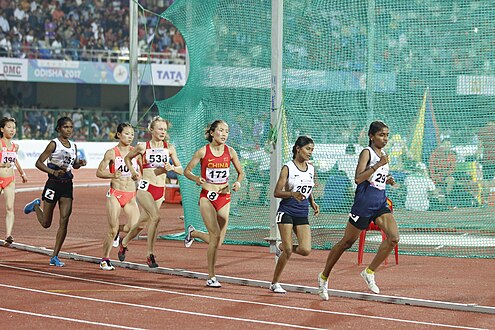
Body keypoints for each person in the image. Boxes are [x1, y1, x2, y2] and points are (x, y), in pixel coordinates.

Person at [317, 120, 399, 300]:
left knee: (393, 238)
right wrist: (378, 165)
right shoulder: (366, 153)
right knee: (346, 243)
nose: (385, 138)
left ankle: (369, 272)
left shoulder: (383, 154)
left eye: (386, 135)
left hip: (380, 203)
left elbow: (376, 179)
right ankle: (324, 277)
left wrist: (387, 179)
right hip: (363, 205)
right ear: (371, 136)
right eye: (381, 135)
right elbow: (358, 178)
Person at [183, 120, 245, 288]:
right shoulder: (203, 151)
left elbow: (241, 172)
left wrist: (238, 183)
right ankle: (211, 276)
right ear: (212, 133)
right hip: (207, 197)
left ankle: (193, 233)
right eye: (221, 130)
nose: (224, 134)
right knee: (215, 235)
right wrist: (196, 178)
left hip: (224, 197)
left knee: (218, 242)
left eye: (227, 131)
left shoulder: (230, 152)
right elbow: (186, 171)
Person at [117, 116, 183, 268]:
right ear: (151, 130)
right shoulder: (142, 146)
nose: (163, 132)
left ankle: (125, 242)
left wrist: (171, 168)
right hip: (145, 187)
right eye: (160, 129)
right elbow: (128, 158)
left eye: (165, 129)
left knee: (141, 224)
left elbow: (180, 169)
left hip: (160, 190)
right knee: (156, 217)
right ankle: (150, 254)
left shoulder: (169, 148)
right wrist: (133, 172)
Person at [24, 117, 87, 267]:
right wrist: (52, 171)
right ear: (59, 128)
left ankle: (55, 256)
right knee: (46, 223)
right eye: (65, 127)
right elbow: (38, 163)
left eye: (71, 127)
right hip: (53, 185)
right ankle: (35, 206)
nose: (69, 130)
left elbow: (73, 165)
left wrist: (80, 164)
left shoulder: (74, 146)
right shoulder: (54, 144)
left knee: (64, 220)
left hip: (67, 185)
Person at [269, 136, 319, 294]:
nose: (310, 152)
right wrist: (291, 194)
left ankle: (281, 247)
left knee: (305, 250)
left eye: (312, 150)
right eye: (307, 149)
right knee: (289, 251)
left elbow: (308, 189)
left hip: (302, 212)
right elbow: (276, 192)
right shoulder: (288, 168)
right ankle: (274, 283)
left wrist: (312, 202)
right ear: (298, 148)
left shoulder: (311, 168)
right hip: (286, 211)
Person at [96, 123, 141, 271]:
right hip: (115, 194)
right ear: (119, 135)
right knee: (111, 229)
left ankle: (118, 234)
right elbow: (99, 172)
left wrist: (139, 177)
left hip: (131, 195)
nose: (130, 137)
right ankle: (105, 259)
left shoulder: (136, 152)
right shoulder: (111, 153)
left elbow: (143, 171)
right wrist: (111, 174)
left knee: (136, 227)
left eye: (132, 134)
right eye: (127, 133)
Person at [0, 117, 28, 245]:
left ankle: (8, 235)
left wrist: (22, 173)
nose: (12, 130)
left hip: (10, 179)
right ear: (2, 129)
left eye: (14, 128)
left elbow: (15, 159)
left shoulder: (16, 146)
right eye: (9, 127)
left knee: (10, 207)